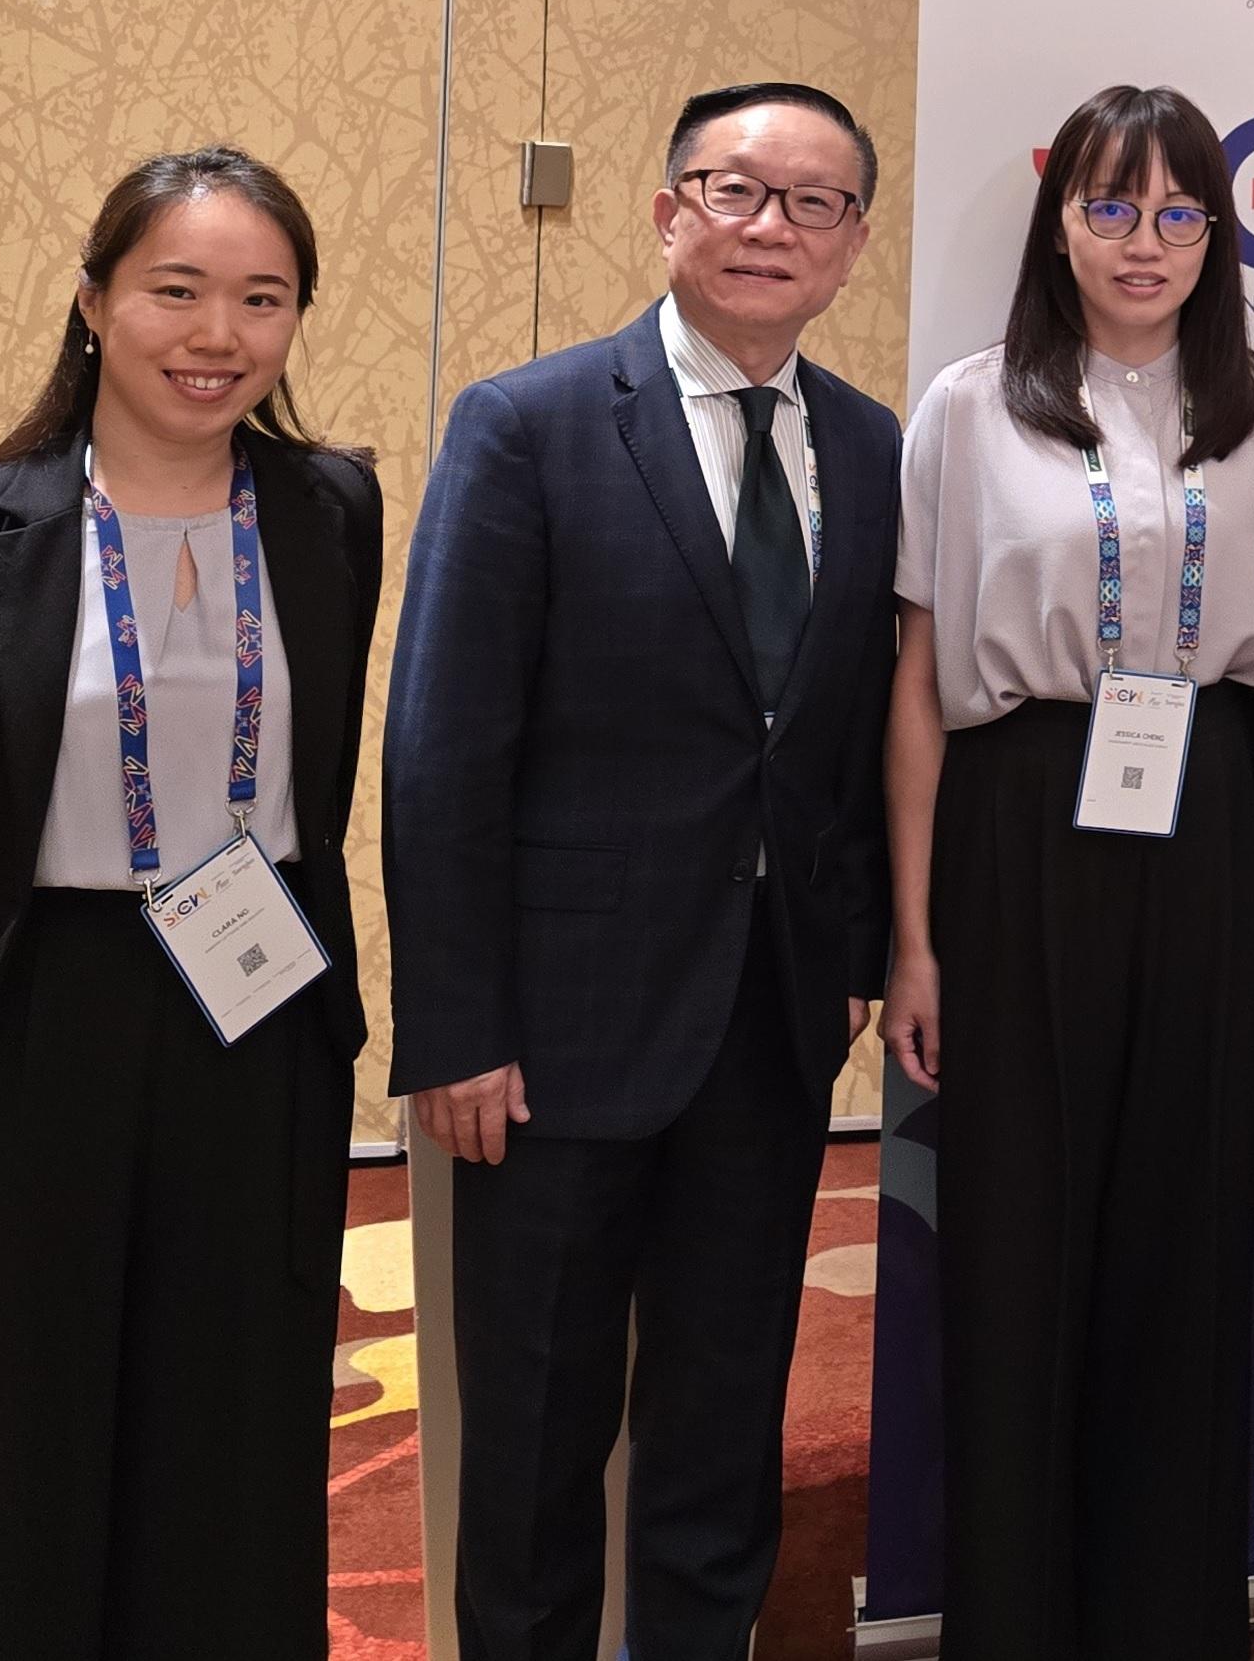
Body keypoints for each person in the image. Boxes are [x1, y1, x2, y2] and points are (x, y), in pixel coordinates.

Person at [386, 81, 903, 1661]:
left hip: (768, 1017)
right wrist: (457, 1026)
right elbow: (443, 746)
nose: (770, 228)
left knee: (723, 1408)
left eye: (813, 204)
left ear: (851, 245)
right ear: (666, 209)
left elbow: (850, 732)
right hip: (554, 1030)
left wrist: (864, 949)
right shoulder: (528, 421)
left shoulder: (870, 445)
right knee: (536, 1424)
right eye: (735, 190)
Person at [0, 149, 383, 1660]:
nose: (218, 335)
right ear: (93, 299)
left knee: (234, 1405)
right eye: (176, 291)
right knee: (16, 1412)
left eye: (262, 299)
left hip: (251, 1000)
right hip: (31, 1013)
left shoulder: (332, 509)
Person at [877, 84, 1254, 1656]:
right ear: (1058, 220)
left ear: (1216, 235)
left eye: (1179, 212)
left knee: (1186, 1233)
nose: (1145, 243)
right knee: (1016, 1232)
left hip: (1206, 818)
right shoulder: (971, 406)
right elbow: (918, 680)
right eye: (1111, 208)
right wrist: (912, 936)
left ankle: (1162, 1615)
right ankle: (1012, 1614)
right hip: (1017, 821)